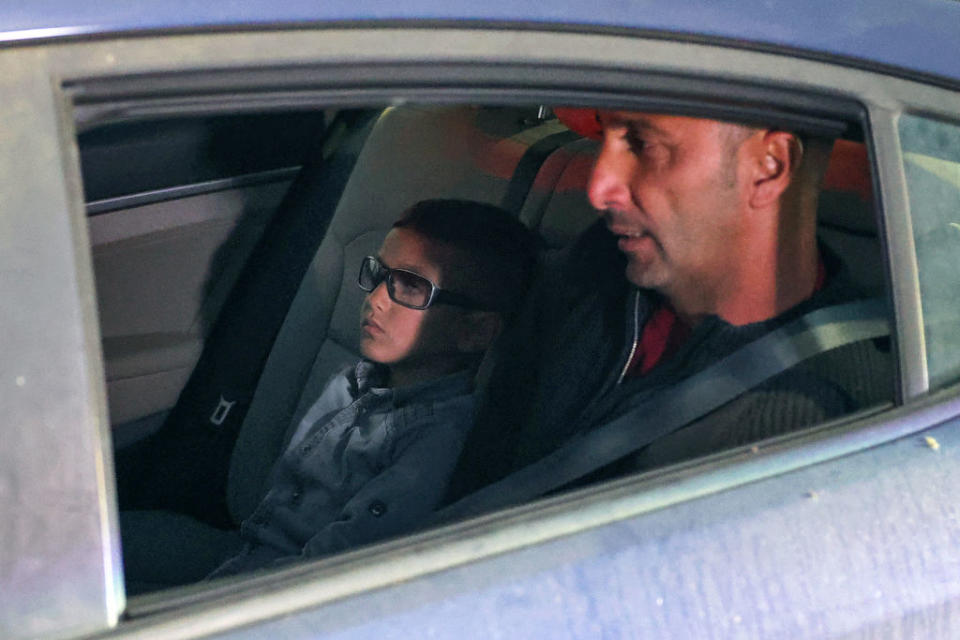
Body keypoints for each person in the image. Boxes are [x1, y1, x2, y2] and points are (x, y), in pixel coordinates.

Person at [446, 110, 890, 501]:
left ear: (768, 168)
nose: (599, 187)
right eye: (605, 135)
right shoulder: (599, 265)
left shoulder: (807, 427)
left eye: (643, 142)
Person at [210, 198, 537, 577]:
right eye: (380, 274)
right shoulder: (351, 383)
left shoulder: (437, 438)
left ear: (474, 331)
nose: (376, 299)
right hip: (248, 555)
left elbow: (338, 564)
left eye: (411, 286)